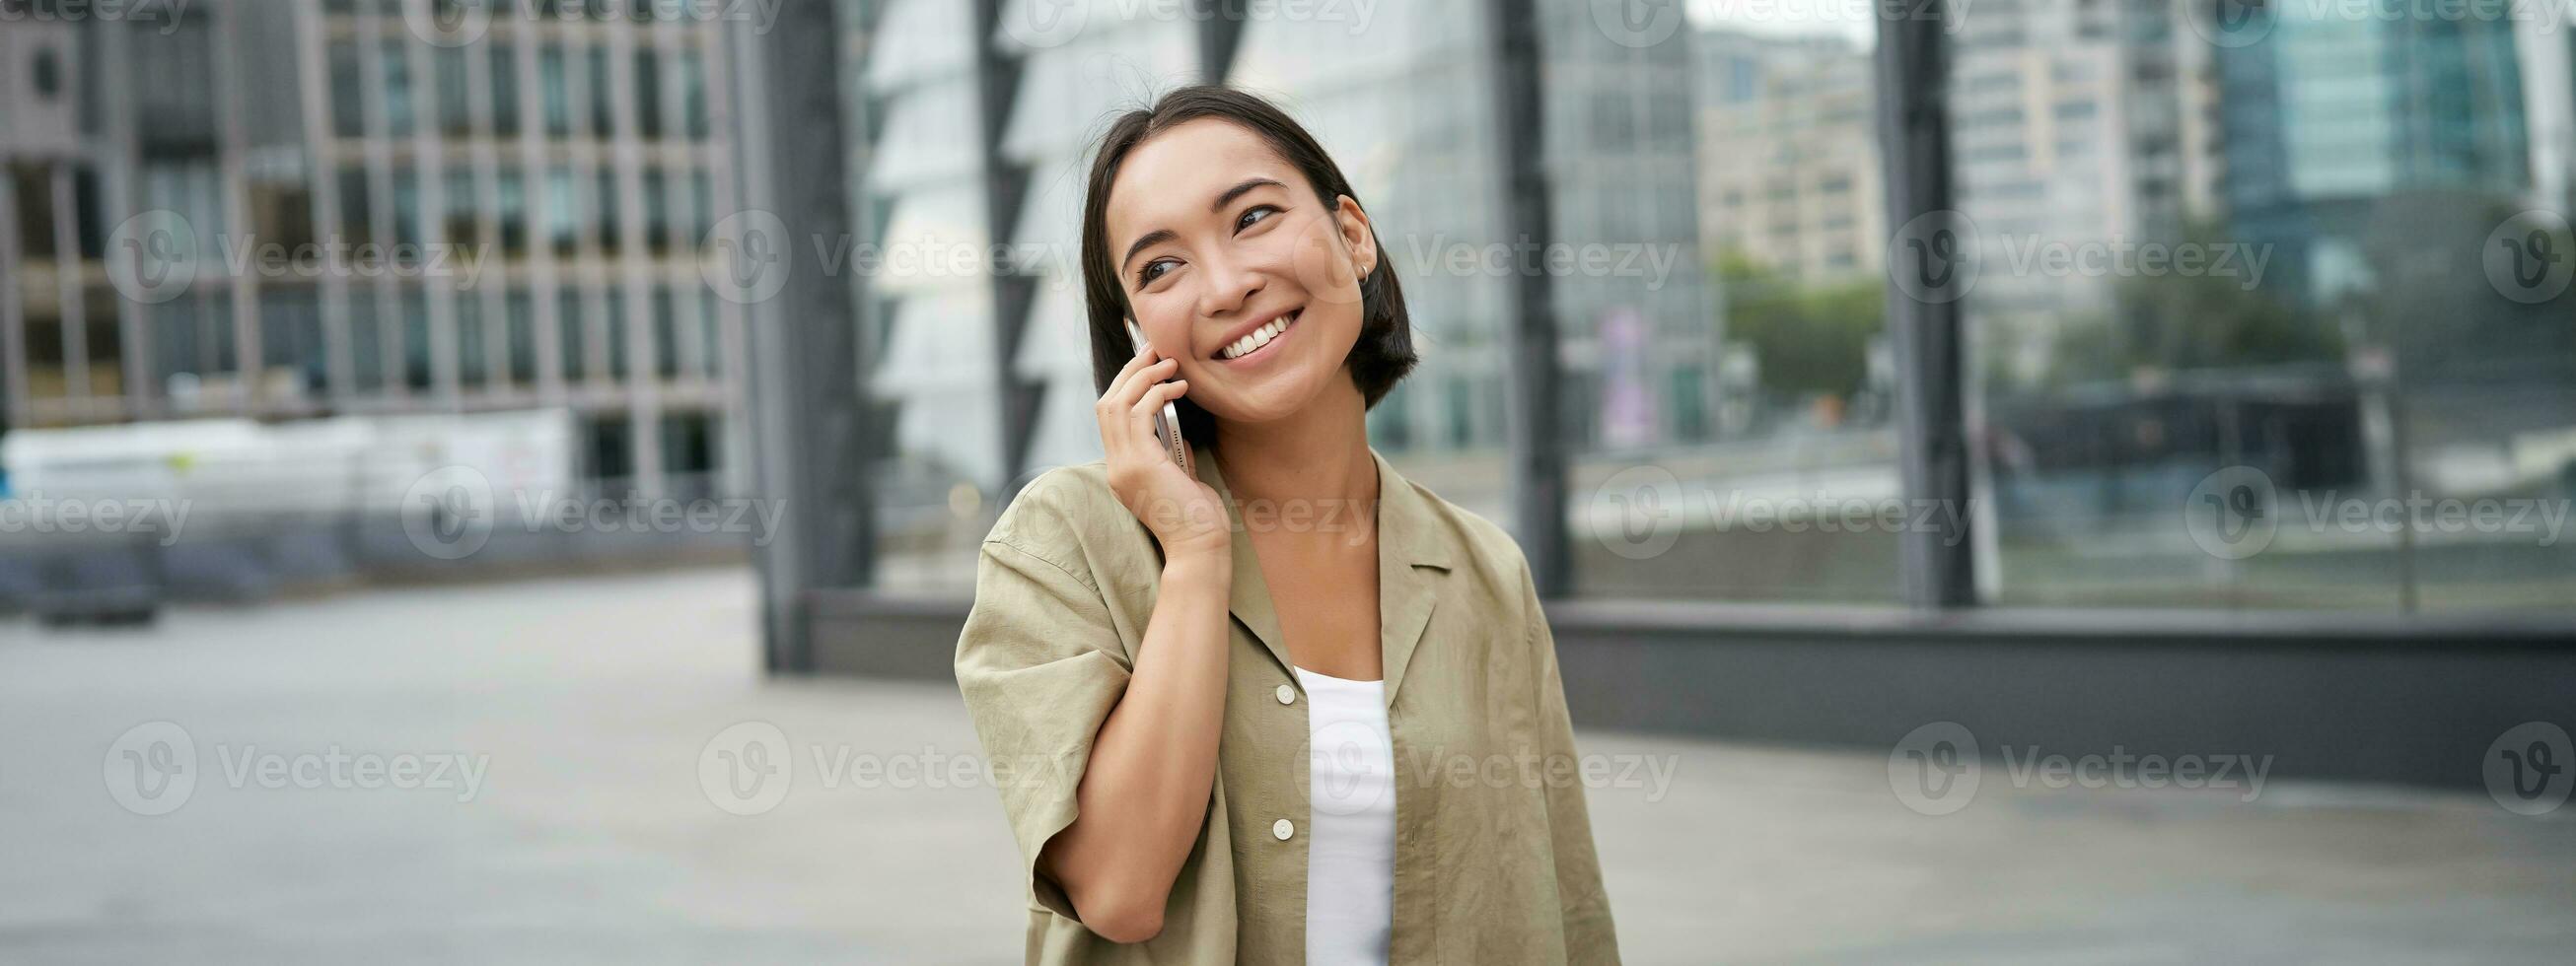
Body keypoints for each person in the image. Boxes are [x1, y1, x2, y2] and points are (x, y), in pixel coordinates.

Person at [955, 84, 1620, 965]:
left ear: (1352, 235)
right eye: (1161, 267)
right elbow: (1118, 890)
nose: (1227, 285)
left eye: (1254, 217)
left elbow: (1562, 905)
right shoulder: (1062, 544)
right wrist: (1193, 553)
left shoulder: (1484, 571)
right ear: (1135, 331)